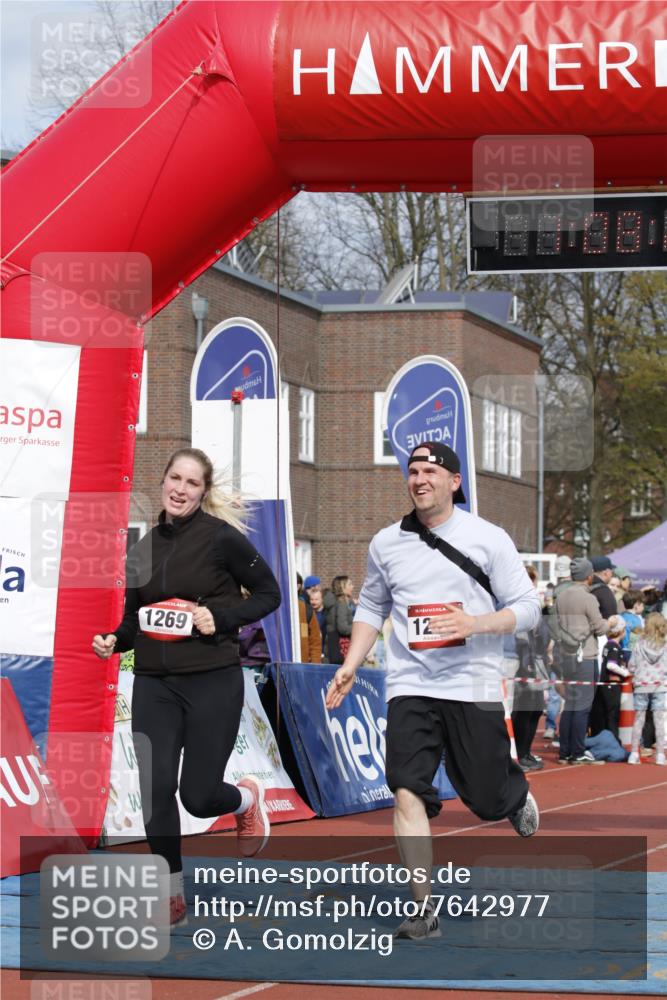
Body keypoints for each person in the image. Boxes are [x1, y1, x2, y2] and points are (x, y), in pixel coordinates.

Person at [325, 441, 541, 941]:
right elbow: (370, 608)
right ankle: (424, 910)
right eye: (413, 471)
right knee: (405, 787)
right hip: (410, 684)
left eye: (430, 471)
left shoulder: (487, 538)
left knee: (485, 798)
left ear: (454, 481)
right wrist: (351, 665)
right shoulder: (386, 543)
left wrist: (475, 622)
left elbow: (528, 607)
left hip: (472, 682)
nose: (419, 479)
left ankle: (511, 795)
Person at [92, 448, 281, 926]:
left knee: (197, 797)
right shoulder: (142, 549)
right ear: (163, 482)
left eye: (191, 483)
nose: (180, 489)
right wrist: (114, 639)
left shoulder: (223, 541)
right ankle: (171, 893)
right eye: (174, 478)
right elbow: (134, 621)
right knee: (156, 788)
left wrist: (219, 617)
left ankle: (245, 800)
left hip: (212, 681)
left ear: (204, 491)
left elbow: (270, 594)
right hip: (154, 684)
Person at [553, 558, 620, 765]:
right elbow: (600, 628)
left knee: (569, 705)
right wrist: (610, 622)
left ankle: (565, 751)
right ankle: (577, 751)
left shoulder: (560, 596)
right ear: (589, 576)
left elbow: (555, 625)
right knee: (582, 706)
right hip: (585, 655)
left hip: (566, 654)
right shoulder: (588, 598)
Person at [512, 565, 550, 771]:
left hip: (537, 660)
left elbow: (544, 634)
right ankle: (520, 753)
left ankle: (525, 752)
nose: (532, 583)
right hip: (522, 663)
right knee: (524, 710)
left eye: (533, 579)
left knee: (535, 709)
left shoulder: (535, 602)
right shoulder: (516, 602)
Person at [627, 612, 667, 765]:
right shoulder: (664, 646)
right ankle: (660, 755)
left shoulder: (639, 644)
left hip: (641, 685)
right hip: (660, 686)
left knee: (638, 720)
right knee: (659, 720)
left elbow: (631, 666)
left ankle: (634, 753)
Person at [544, 555, 572, 741]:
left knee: (555, 688)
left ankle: (551, 726)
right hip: (569, 644)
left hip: (555, 643)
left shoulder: (551, 592)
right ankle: (566, 729)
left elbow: (548, 616)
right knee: (572, 690)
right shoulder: (575, 590)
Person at [323, 575, 356, 664]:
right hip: (340, 647)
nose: (353, 587)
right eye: (350, 584)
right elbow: (342, 627)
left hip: (331, 645)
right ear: (342, 587)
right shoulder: (342, 603)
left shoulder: (334, 602)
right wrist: (357, 628)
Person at [296, 572, 322, 663]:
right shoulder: (273, 607)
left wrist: (314, 668)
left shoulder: (306, 609)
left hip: (301, 665)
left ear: (297, 586)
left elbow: (315, 642)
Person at [304, 574, 327, 653]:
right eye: (312, 600)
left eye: (316, 599)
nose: (313, 602)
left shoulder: (327, 614)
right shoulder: (308, 613)